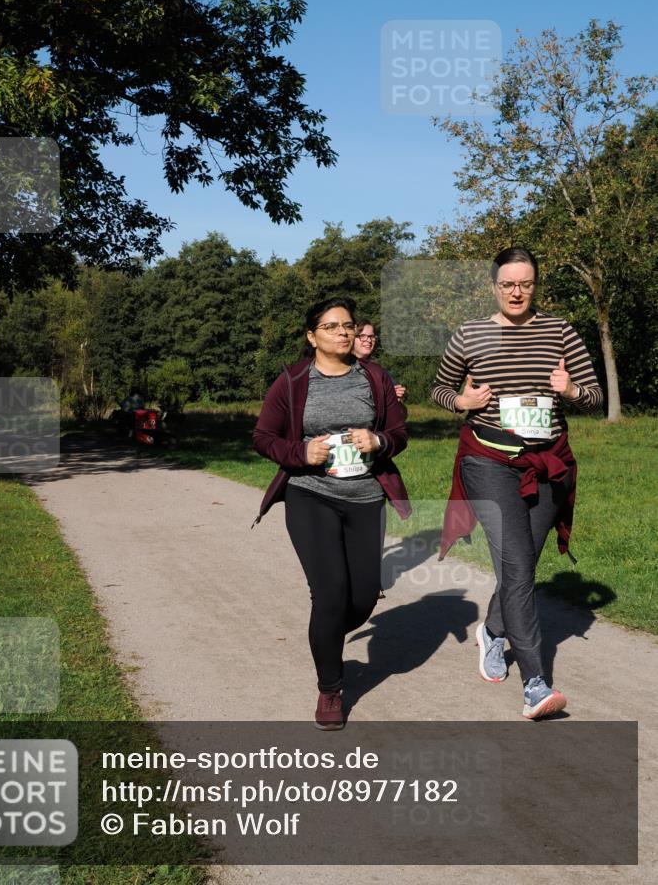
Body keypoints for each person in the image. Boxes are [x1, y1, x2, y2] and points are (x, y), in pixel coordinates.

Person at [432, 247, 603, 720]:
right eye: (508, 284)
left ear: (535, 285)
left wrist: (570, 391)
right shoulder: (471, 333)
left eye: (525, 284)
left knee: (520, 566)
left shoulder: (560, 331)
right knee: (517, 561)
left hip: (548, 463)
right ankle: (535, 682)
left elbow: (593, 395)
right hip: (488, 460)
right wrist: (463, 399)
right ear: (494, 286)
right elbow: (440, 389)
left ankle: (492, 630)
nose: (516, 292)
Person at [253, 297, 411, 730]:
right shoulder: (291, 381)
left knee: (360, 598)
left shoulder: (375, 378)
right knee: (329, 594)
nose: (342, 333)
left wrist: (378, 442)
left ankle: (325, 634)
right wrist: (300, 451)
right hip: (311, 495)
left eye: (347, 326)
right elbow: (263, 437)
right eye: (331, 327)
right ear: (312, 336)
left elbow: (399, 433)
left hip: (364, 497)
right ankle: (331, 687)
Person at [352, 318, 407, 598]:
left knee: (374, 521)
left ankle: (370, 579)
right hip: (338, 460)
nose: (368, 340)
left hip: (374, 459)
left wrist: (397, 403)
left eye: (372, 336)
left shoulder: (380, 372)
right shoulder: (336, 368)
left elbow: (397, 425)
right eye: (362, 335)